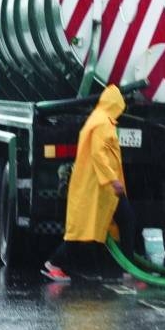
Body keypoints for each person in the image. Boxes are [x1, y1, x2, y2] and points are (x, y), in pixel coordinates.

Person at [42, 84, 137, 283]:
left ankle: (124, 269)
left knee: (115, 223)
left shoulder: (98, 118)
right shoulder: (103, 123)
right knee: (85, 232)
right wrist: (112, 180)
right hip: (101, 188)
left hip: (100, 188)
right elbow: (98, 154)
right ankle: (54, 263)